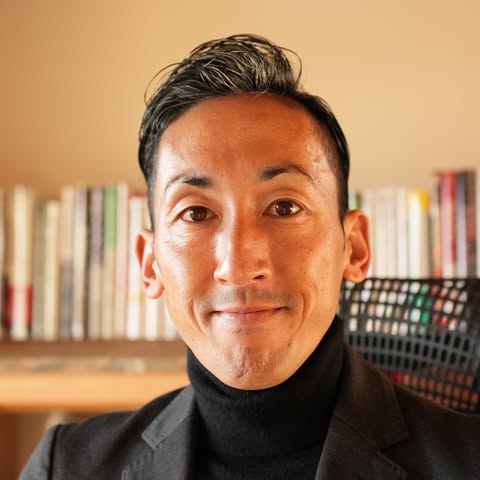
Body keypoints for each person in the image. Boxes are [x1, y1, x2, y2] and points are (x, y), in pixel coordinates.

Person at [21, 34, 480, 480]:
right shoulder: (66, 467)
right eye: (196, 213)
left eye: (284, 207)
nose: (238, 264)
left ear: (355, 248)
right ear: (149, 263)